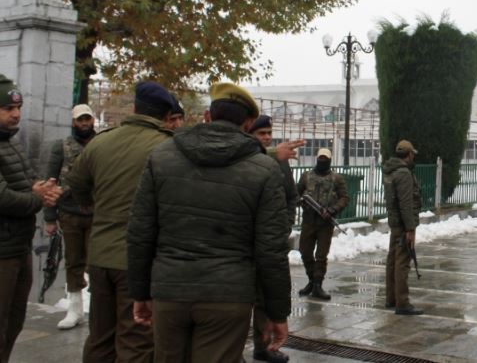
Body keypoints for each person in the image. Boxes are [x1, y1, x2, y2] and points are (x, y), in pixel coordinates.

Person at [127, 83, 291, 363]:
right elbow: (271, 250)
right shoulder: (264, 169)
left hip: (170, 289)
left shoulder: (162, 156)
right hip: (228, 296)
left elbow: (141, 231)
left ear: (206, 115)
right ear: (249, 123)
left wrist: (140, 292)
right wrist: (277, 313)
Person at [67, 81, 176, 363]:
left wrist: (94, 204)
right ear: (166, 116)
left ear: (135, 108)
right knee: (136, 343)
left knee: (99, 338)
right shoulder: (167, 147)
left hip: (100, 255)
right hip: (137, 262)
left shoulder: (100, 142)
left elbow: (76, 182)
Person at [0, 74, 62, 362]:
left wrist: (41, 189)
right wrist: (38, 198)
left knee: (13, 323)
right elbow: (4, 198)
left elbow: (23, 184)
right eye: (8, 109)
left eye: (18, 107)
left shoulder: (10, 142)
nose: (16, 114)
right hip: (2, 253)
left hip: (17, 246)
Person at [249, 115, 300, 363]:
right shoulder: (245, 162)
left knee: (263, 297)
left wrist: (285, 225)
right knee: (237, 299)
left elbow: (291, 196)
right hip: (244, 241)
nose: (267, 138)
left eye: (269, 133)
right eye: (261, 134)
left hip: (271, 238)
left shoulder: (280, 162)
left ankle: (264, 347)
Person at [44, 103, 97, 330]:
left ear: (93, 120)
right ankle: (75, 309)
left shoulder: (101, 144)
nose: (84, 123)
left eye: (87, 119)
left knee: (96, 262)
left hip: (96, 212)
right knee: (73, 260)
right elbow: (50, 181)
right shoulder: (62, 146)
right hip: (69, 212)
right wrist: (49, 217)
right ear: (74, 122)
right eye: (80, 120)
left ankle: (98, 309)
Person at [296, 147, 348, 300]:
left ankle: (318, 285)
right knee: (305, 251)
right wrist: (300, 202)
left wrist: (332, 210)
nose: (322, 161)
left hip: (325, 223)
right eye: (320, 158)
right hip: (309, 221)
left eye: (325, 159)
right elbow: (296, 194)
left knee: (321, 255)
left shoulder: (337, 178)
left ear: (330, 160)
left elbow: (344, 198)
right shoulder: (306, 176)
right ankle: (312, 281)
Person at [383, 139, 423, 315]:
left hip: (394, 223)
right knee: (402, 263)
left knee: (392, 261)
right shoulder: (404, 174)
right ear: (408, 155)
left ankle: (391, 299)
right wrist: (410, 229)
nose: (413, 157)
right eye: (412, 154)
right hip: (403, 225)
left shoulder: (390, 172)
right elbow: (406, 204)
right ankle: (403, 302)